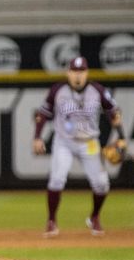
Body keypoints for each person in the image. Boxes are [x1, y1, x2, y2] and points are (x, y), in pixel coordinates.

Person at [33, 56, 127, 238]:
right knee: (57, 179)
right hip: (64, 142)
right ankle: (51, 221)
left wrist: (122, 136)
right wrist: (37, 137)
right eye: (74, 71)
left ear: (87, 73)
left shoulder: (98, 90)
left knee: (101, 185)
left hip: (89, 143)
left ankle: (94, 217)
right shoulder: (57, 90)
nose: (78, 75)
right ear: (68, 73)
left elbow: (114, 113)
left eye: (81, 71)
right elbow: (43, 114)